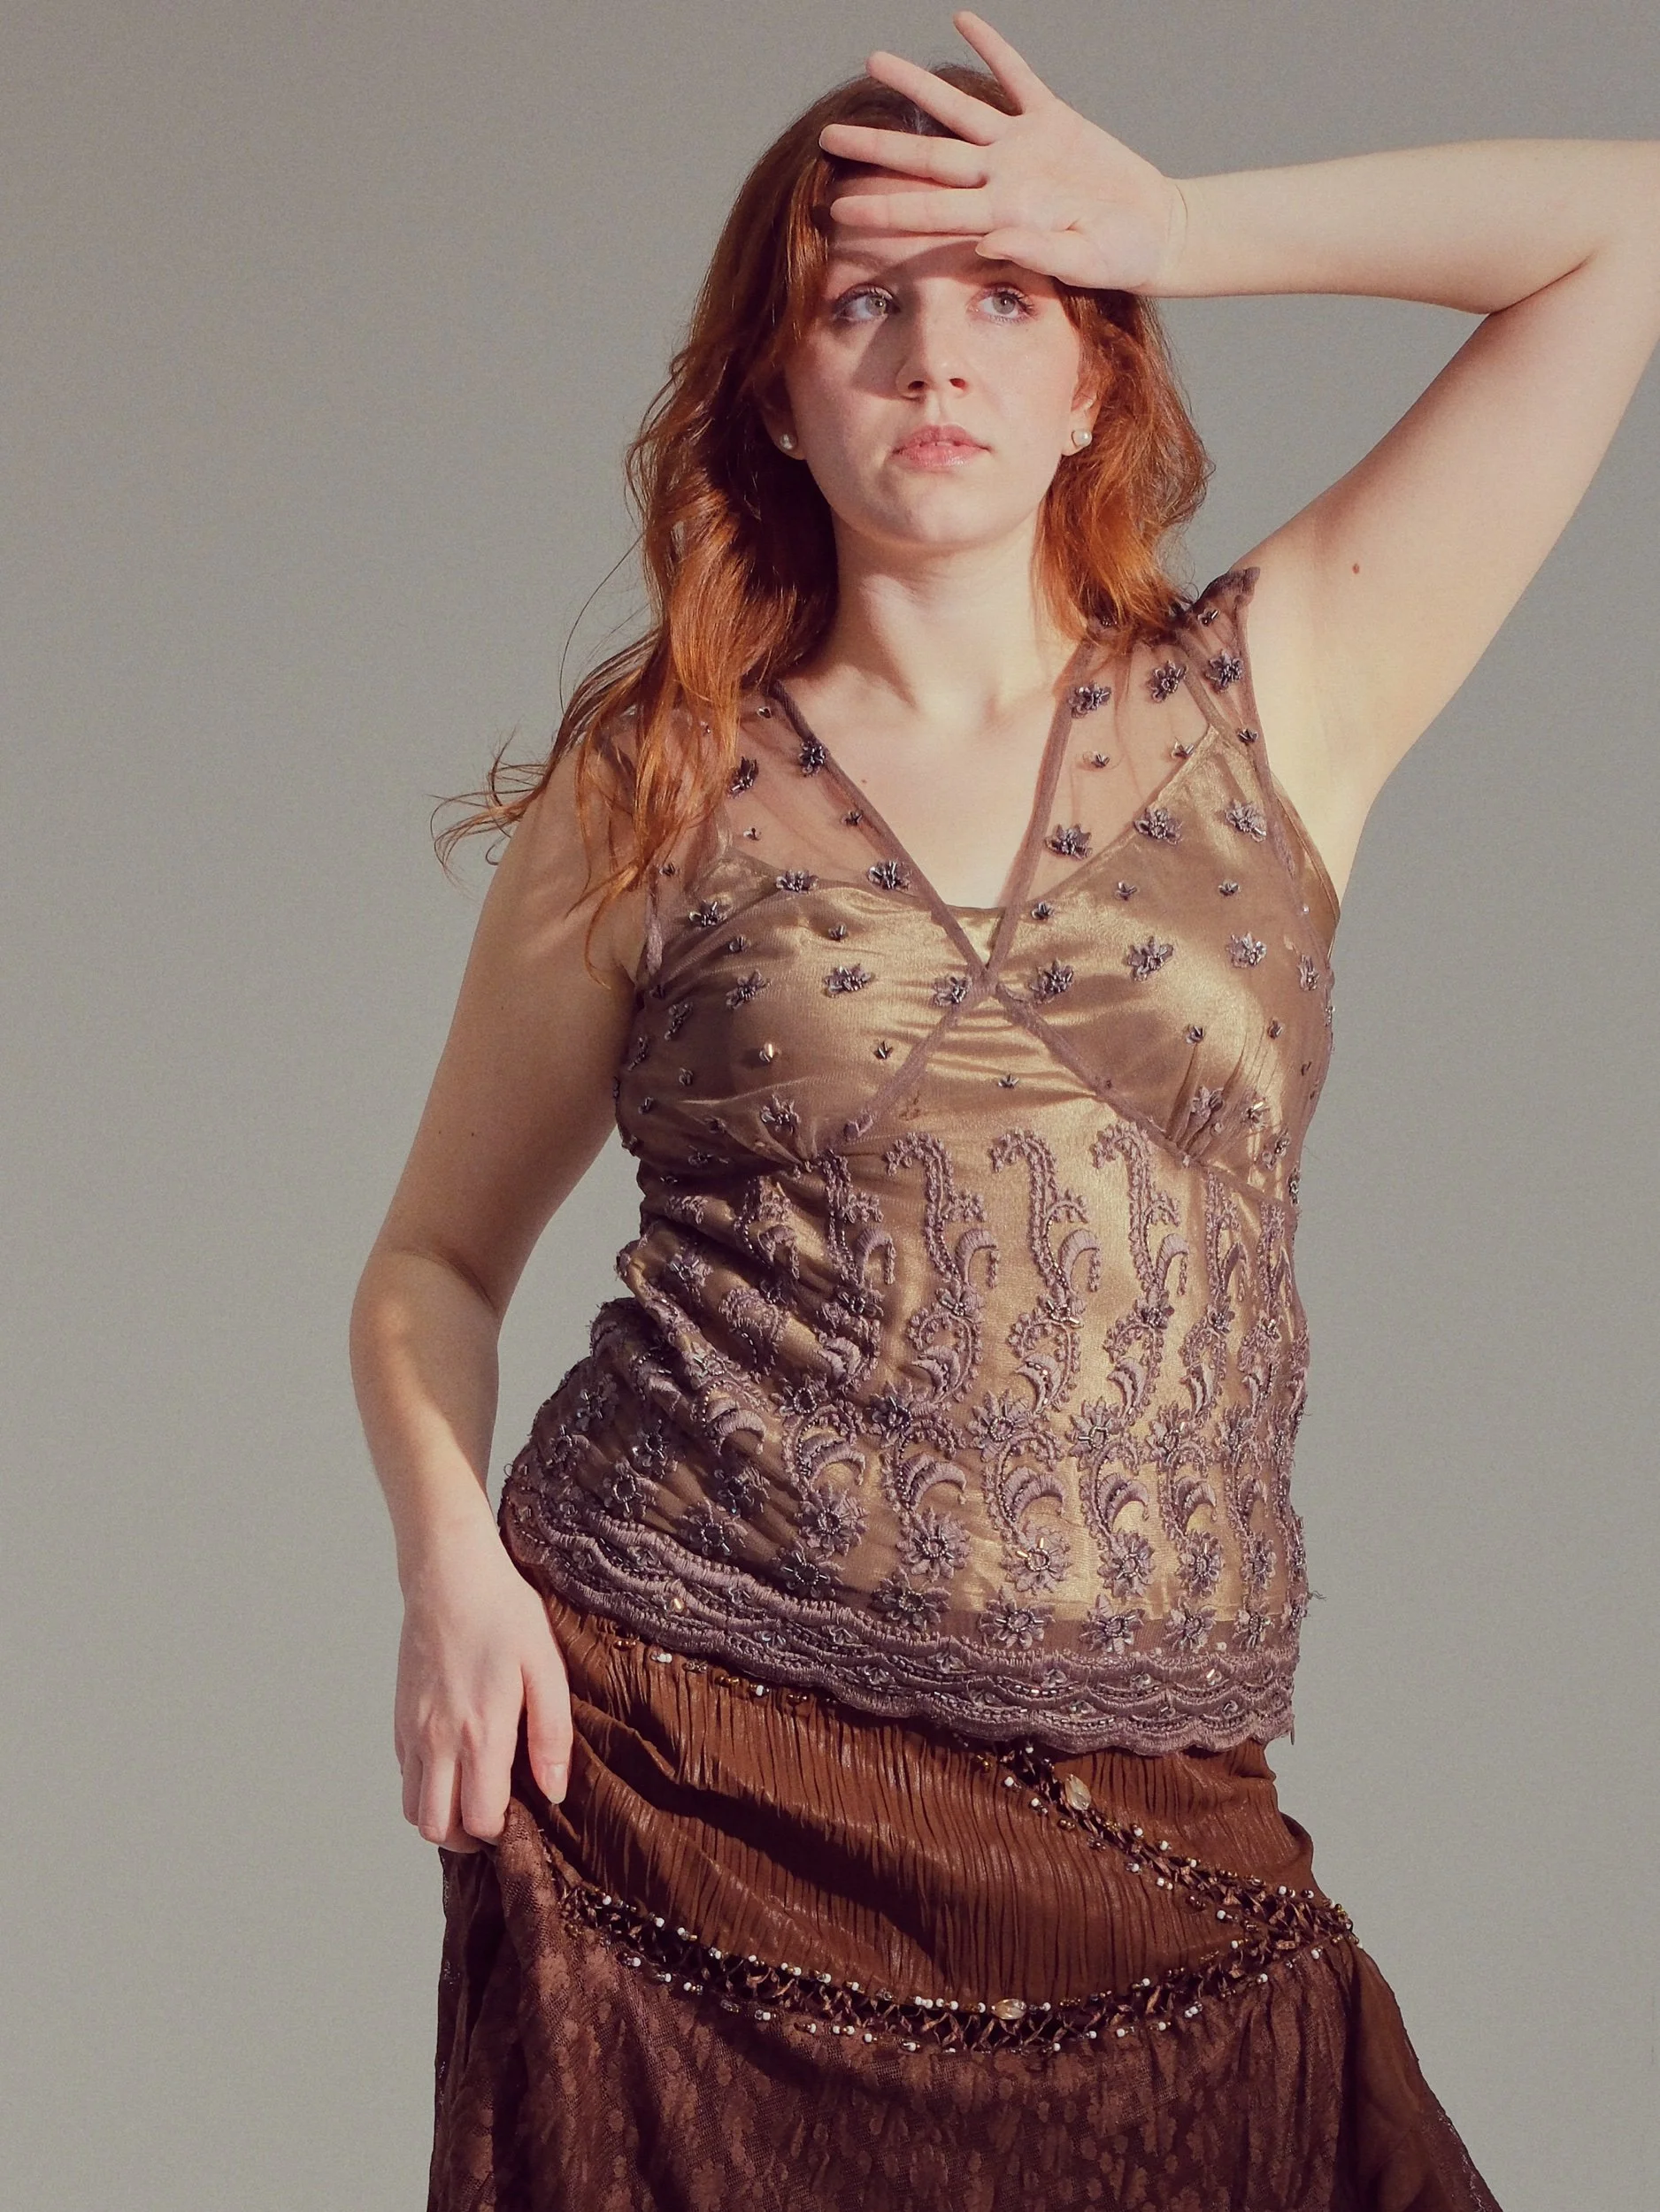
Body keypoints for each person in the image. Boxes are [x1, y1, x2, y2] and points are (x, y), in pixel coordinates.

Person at [348, 14, 1660, 2206]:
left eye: (1006, 297)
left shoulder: (1276, 697)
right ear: (775, 392)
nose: (934, 356)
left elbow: (1621, 222)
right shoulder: (652, 778)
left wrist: (1166, 222)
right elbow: (430, 1260)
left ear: (1091, 385)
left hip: (1151, 1823)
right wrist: (448, 1565)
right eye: (862, 303)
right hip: (683, 1775)